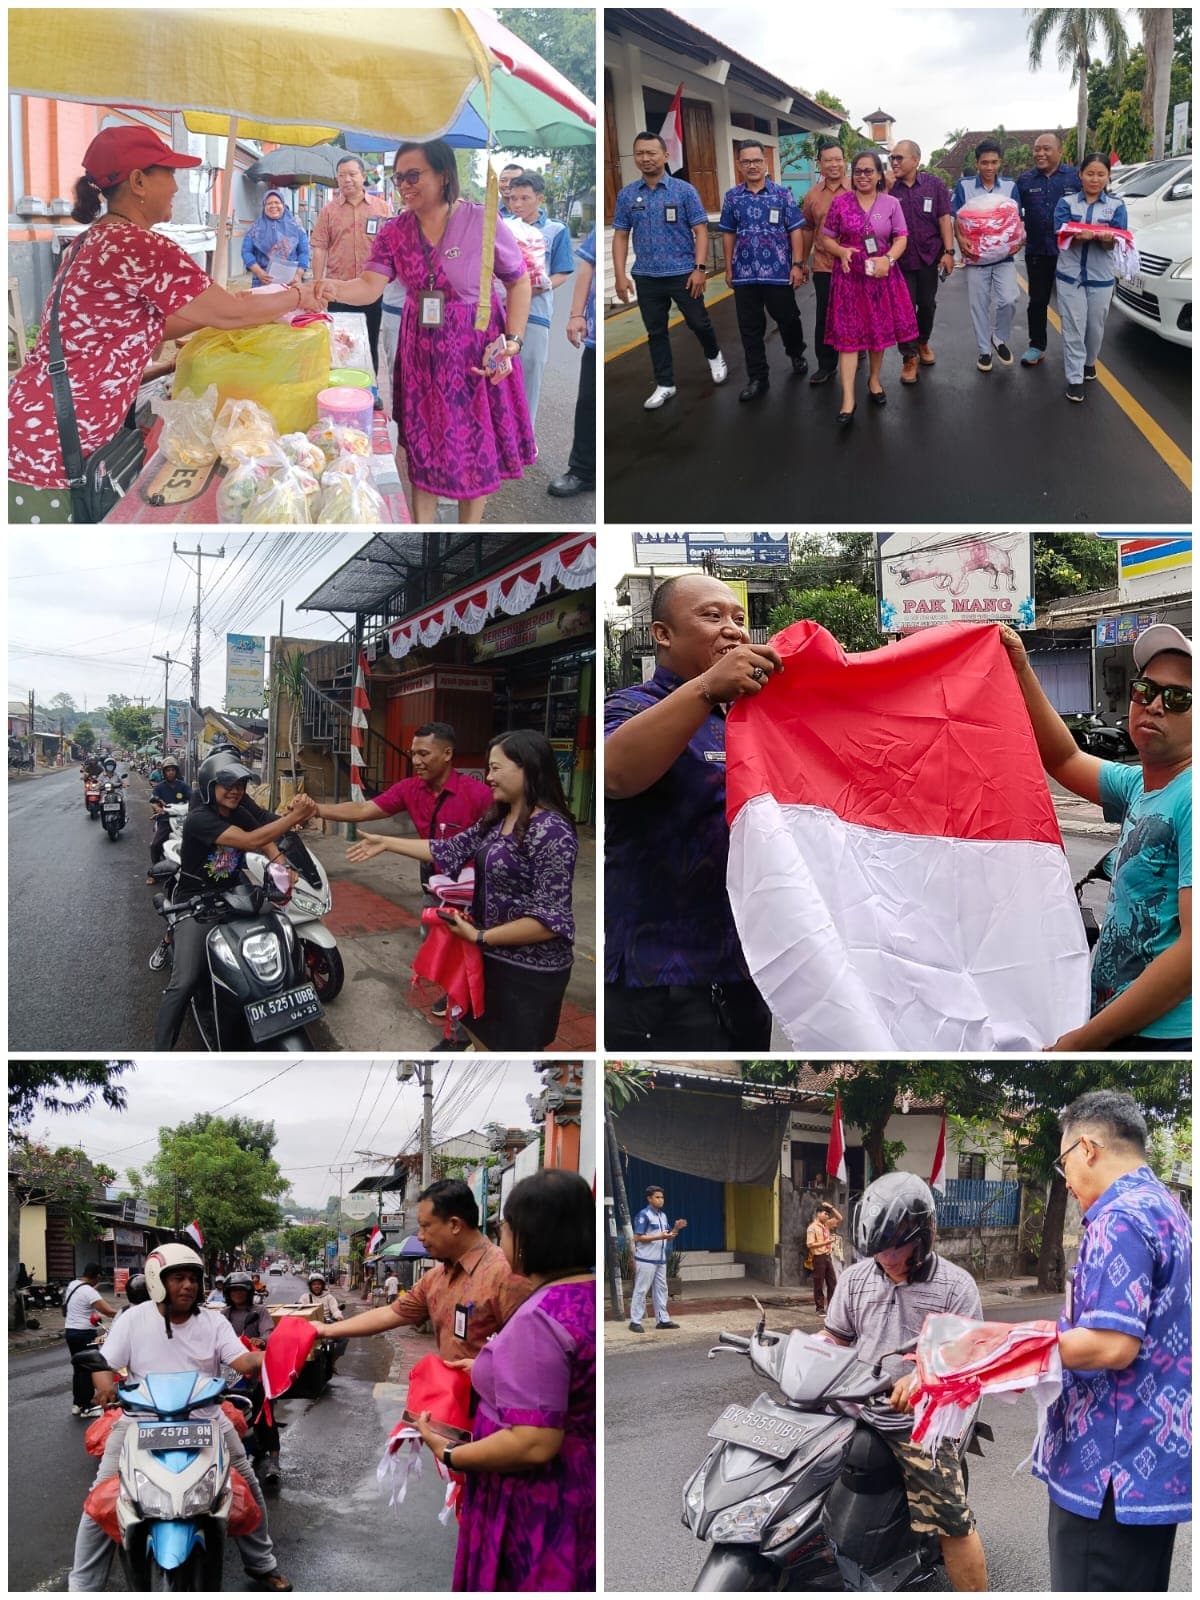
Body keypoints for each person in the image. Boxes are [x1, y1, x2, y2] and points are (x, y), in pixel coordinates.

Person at [8, 126, 323, 524]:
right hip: (53, 450)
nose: (177, 185)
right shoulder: (138, 245)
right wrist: (300, 295)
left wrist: (227, 311)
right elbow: (232, 314)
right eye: (169, 173)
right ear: (139, 181)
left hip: (34, 423)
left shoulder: (92, 240)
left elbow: (138, 326)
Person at [604, 574, 779, 1051]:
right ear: (662, 634)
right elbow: (615, 774)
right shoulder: (631, 707)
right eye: (711, 616)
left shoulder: (756, 717)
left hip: (746, 976)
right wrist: (705, 689)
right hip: (657, 988)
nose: (733, 630)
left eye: (739, 620)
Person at [317, 139, 534, 524]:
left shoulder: (481, 221)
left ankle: (468, 531)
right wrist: (327, 287)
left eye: (413, 175)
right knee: (422, 448)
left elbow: (519, 282)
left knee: (472, 448)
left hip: (475, 351)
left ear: (444, 174)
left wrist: (513, 340)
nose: (404, 185)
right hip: (420, 353)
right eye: (398, 177)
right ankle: (424, 531)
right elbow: (369, 285)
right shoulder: (394, 231)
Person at [999, 622, 1190, 1050]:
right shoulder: (1139, 785)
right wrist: (1022, 669)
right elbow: (1064, 757)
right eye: (1146, 690)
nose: (1155, 705)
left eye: (1178, 699)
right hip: (1119, 1023)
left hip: (1162, 1038)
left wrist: (1085, 1041)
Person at [1035, 1091, 1191, 1591]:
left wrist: (1016, 1350)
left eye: (1064, 1164)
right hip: (1151, 1468)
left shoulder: (1117, 1216)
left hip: (1106, 1472)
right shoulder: (1168, 1209)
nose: (1068, 1180)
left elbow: (1111, 1345)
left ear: (1087, 1148)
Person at [410, 1169, 595, 1592]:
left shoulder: (539, 1315)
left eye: (505, 1228)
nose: (501, 1239)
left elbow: (532, 1442)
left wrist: (451, 1452)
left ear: (530, 1236)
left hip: (534, 1501)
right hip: (578, 1483)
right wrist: (485, 1370)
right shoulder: (584, 1295)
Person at [67, 1243, 291, 1592]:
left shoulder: (214, 1322)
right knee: (102, 1496)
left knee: (246, 1484)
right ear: (158, 1281)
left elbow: (242, 1361)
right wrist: (105, 1387)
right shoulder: (133, 1319)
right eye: (178, 1278)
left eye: (193, 1279)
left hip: (207, 1420)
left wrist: (278, 1353)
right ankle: (82, 1587)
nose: (187, 1286)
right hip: (139, 1421)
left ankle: (262, 1564)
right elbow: (105, 1365)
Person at [346, 730, 578, 1051]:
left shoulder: (552, 831)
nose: (489, 777)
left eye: (496, 768)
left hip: (528, 972)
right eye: (488, 768)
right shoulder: (498, 819)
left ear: (527, 767)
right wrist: (386, 842)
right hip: (489, 958)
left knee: (509, 1053)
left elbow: (550, 920)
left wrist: (480, 937)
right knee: (480, 1037)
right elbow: (448, 849)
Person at [820, 1172, 987, 1591]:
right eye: (878, 1249)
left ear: (924, 1235)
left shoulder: (955, 1287)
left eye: (897, 1246)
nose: (887, 1257)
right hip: (856, 1405)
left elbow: (971, 1358)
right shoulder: (856, 1279)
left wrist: (923, 1377)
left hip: (922, 1422)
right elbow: (836, 1338)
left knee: (952, 1520)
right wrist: (808, 1353)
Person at [152, 756, 315, 1049]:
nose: (236, 790)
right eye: (228, 784)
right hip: (196, 901)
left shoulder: (238, 811)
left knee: (281, 930)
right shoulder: (201, 817)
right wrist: (292, 819)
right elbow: (252, 841)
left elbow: (268, 828)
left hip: (235, 891)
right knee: (185, 980)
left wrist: (292, 826)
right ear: (209, 785)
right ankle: (160, 1051)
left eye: (240, 784)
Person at [320, 1179, 529, 1361]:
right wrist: (325, 1329)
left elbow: (529, 1359)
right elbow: (389, 1314)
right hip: (448, 1402)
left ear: (455, 1225)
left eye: (425, 1226)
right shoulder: (435, 1278)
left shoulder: (505, 1275)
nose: (419, 1236)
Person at [611, 131, 728, 410]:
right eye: (640, 153)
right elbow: (620, 235)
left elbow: (700, 230)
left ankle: (714, 356)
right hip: (647, 275)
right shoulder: (627, 195)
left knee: (699, 322)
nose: (645, 158)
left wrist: (700, 269)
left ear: (665, 156)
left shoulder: (684, 190)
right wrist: (619, 275)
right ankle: (665, 384)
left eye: (651, 153)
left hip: (683, 273)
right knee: (656, 332)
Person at [822, 151, 917, 424]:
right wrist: (840, 251)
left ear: (878, 175)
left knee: (877, 334)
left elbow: (902, 237)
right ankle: (848, 399)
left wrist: (888, 259)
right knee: (848, 341)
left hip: (880, 276)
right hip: (849, 278)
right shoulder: (840, 203)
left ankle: (874, 381)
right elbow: (826, 239)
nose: (863, 176)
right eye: (859, 171)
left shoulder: (891, 204)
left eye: (869, 171)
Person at [718, 139, 808, 402]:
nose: (752, 166)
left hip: (779, 272)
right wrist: (728, 268)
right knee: (749, 328)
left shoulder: (782, 194)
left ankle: (796, 351)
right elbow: (727, 233)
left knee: (788, 318)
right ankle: (758, 377)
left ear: (765, 163)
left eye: (757, 160)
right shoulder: (732, 197)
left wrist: (797, 264)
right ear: (739, 165)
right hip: (745, 274)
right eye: (746, 161)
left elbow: (795, 230)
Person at [1053, 152, 1129, 403]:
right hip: (1070, 277)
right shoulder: (1066, 203)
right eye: (1090, 173)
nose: (1094, 179)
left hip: (1101, 278)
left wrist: (1107, 240)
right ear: (1080, 175)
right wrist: (1077, 236)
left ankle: (1089, 362)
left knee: (1095, 327)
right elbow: (1061, 235)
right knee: (1074, 326)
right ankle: (1075, 378)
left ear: (1108, 177)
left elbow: (1116, 242)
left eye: (1100, 174)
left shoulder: (1116, 206)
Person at [502, 170, 574, 428]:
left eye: (525, 198)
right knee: (500, 372)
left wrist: (539, 286)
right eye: (512, 199)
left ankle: (525, 435)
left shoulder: (555, 230)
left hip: (536, 313)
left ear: (539, 198)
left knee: (530, 373)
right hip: (502, 310)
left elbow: (563, 272)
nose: (517, 204)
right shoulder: (503, 226)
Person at [309, 155, 392, 378]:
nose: (347, 180)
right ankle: (342, 391)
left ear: (363, 177)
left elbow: (394, 249)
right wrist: (318, 284)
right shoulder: (328, 211)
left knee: (369, 342)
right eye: (342, 175)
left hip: (372, 291)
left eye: (352, 174)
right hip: (338, 290)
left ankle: (371, 392)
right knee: (340, 345)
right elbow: (320, 248)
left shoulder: (382, 209)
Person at [886, 141, 954, 384]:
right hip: (900, 261)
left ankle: (923, 341)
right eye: (892, 158)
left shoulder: (934, 185)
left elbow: (944, 218)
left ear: (916, 160)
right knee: (904, 310)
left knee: (927, 305)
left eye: (899, 158)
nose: (894, 162)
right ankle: (909, 357)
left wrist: (949, 251)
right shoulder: (889, 189)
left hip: (928, 257)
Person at [952, 139, 1022, 373]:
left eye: (993, 162)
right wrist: (960, 240)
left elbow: (1017, 220)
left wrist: (1020, 241)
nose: (989, 167)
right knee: (978, 305)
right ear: (977, 163)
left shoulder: (1011, 187)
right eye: (984, 163)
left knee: (1010, 299)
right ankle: (984, 350)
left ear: (1000, 162)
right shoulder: (964, 186)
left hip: (1004, 257)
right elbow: (956, 219)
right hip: (976, 257)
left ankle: (999, 337)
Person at [1015, 133, 1080, 367]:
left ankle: (1076, 350)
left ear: (1059, 152)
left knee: (1071, 304)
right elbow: (1012, 213)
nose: (1040, 153)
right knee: (1037, 301)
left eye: (1046, 149)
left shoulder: (1075, 177)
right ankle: (1037, 345)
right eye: (1036, 149)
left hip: (1070, 252)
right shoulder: (1025, 181)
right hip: (1037, 251)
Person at [547, 225, 596, 499]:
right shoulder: (596, 233)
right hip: (596, 333)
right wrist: (576, 314)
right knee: (589, 401)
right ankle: (583, 470)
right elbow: (588, 267)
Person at [799, 140, 852, 386]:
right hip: (824, 265)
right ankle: (826, 364)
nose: (834, 164)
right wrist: (801, 262)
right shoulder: (812, 195)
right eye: (828, 160)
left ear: (845, 160)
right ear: (819, 164)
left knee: (856, 312)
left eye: (838, 159)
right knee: (825, 317)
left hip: (855, 264)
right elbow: (808, 229)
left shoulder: (858, 187)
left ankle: (856, 349)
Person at [222, 1270, 281, 1484]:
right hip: (230, 1374)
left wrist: (261, 1340)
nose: (237, 1293)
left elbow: (269, 1332)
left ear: (248, 1291)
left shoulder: (260, 1311)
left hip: (257, 1372)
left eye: (241, 1290)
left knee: (265, 1416)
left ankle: (274, 1459)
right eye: (233, 1290)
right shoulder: (223, 1315)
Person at [628, 1184, 686, 1334]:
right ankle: (635, 1321)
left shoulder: (663, 1216)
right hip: (646, 1260)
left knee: (662, 1289)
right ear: (649, 1198)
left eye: (662, 1197)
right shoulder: (644, 1215)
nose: (661, 1200)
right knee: (641, 1290)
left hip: (660, 1260)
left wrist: (676, 1229)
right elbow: (638, 1237)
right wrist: (659, 1236)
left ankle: (662, 1319)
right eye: (657, 1197)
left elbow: (668, 1237)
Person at [63, 1263, 119, 1419]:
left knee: (79, 1368)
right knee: (89, 1369)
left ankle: (77, 1404)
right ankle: (87, 1406)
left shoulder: (73, 1284)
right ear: (98, 1276)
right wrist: (124, 1314)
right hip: (84, 1334)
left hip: (70, 1333)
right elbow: (107, 1311)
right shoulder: (89, 1292)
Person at [241, 189, 310, 287]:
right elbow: (246, 252)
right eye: (269, 203)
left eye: (277, 202)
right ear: (264, 206)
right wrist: (259, 272)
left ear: (283, 204)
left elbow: (304, 252)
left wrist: (298, 274)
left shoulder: (296, 227)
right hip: (263, 280)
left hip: (291, 281)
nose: (273, 206)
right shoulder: (254, 229)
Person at [147, 757, 191, 884]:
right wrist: (157, 808)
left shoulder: (183, 786)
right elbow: (153, 801)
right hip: (165, 820)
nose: (170, 772)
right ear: (164, 772)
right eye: (168, 770)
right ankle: (154, 871)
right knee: (155, 844)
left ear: (176, 771)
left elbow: (193, 798)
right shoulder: (159, 787)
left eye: (173, 770)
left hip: (183, 819)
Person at [296, 1270, 348, 1365]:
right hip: (309, 1325)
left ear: (322, 1285)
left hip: (326, 1324)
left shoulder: (329, 1297)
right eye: (314, 1284)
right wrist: (298, 1306)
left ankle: (332, 1362)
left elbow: (335, 1309)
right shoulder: (305, 1297)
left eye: (319, 1284)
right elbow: (299, 1307)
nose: (316, 1286)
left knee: (344, 1337)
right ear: (310, 1286)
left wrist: (338, 1316)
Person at [806, 1200, 844, 1314]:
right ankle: (820, 1308)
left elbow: (840, 1218)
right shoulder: (812, 1228)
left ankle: (831, 1306)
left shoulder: (826, 1225)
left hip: (827, 1256)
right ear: (818, 1213)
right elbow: (810, 1244)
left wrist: (830, 1207)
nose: (827, 1216)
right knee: (819, 1283)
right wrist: (826, 1242)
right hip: (818, 1257)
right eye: (825, 1213)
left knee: (832, 1282)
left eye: (828, 1214)